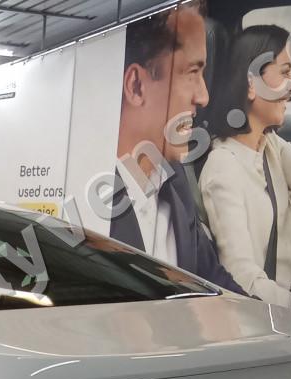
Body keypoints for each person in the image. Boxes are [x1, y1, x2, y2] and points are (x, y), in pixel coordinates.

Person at [110, 1, 246, 295]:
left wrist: (271, 318)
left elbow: (213, 281)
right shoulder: (89, 201)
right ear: (136, 86)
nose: (204, 96)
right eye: (192, 72)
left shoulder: (176, 183)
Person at [199, 25, 291, 307]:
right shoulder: (223, 167)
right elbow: (242, 278)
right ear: (252, 84)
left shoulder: (269, 145)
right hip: (270, 314)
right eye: (285, 72)